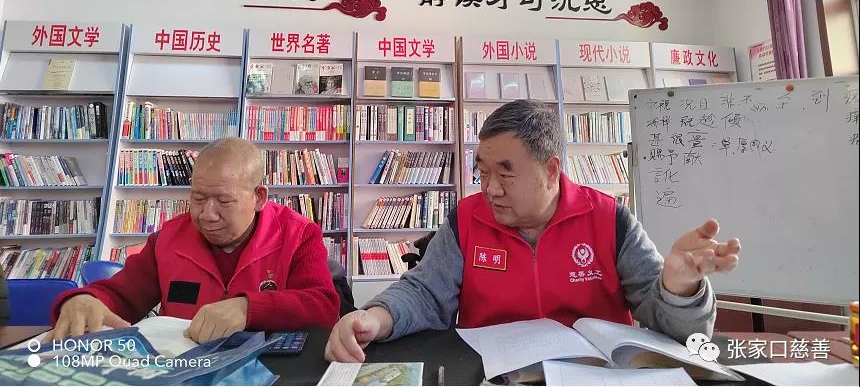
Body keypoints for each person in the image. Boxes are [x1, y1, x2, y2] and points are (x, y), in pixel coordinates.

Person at [326, 100, 742, 362]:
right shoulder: (466, 219)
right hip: (492, 375)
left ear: (551, 170)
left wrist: (679, 289)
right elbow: (424, 292)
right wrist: (374, 318)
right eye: (483, 173)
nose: (490, 189)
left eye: (505, 174)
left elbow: (679, 333)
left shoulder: (610, 219)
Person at [50, 137, 339, 342]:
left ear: (259, 197)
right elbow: (122, 295)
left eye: (224, 201)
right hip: (184, 370)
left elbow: (323, 306)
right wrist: (84, 299)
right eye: (198, 198)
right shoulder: (168, 239)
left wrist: (247, 308)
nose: (206, 215)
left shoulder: (298, 234)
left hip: (272, 369)